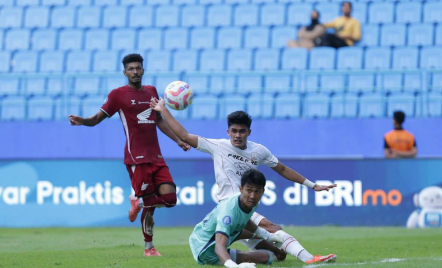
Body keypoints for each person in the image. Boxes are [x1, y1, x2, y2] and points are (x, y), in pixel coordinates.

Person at [149, 98, 337, 265]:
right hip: (230, 206)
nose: (238, 135)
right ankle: (310, 259)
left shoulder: (259, 151)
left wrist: (312, 185)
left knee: (274, 247)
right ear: (228, 131)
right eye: (234, 131)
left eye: (242, 131)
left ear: (249, 132)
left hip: (247, 205)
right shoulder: (218, 146)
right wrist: (163, 109)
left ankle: (276, 254)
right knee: (272, 229)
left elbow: (282, 169)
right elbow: (184, 135)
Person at [68, 54, 190, 257]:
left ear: (143, 70)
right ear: (124, 72)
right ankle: (149, 248)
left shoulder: (151, 91)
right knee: (151, 206)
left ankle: (138, 202)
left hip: (156, 157)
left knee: (170, 199)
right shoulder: (118, 95)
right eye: (131, 69)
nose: (135, 72)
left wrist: (178, 140)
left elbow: (158, 120)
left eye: (138, 68)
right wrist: (83, 120)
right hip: (136, 158)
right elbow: (97, 118)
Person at [190, 169, 286, 267]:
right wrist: (234, 266)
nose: (252, 196)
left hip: (217, 235)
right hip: (205, 249)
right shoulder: (228, 213)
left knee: (254, 235)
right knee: (265, 257)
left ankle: (277, 250)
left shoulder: (251, 202)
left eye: (257, 191)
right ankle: (269, 253)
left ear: (263, 191)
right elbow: (219, 247)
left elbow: (245, 221)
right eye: (249, 190)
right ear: (241, 189)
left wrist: (267, 236)